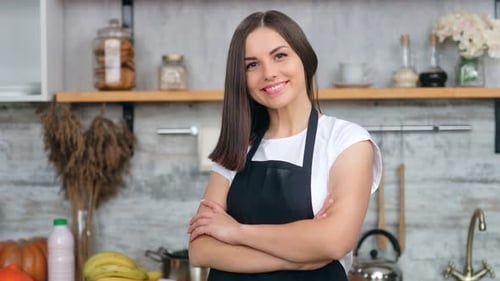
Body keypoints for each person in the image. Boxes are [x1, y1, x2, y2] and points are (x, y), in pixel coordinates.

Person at [188, 10, 382, 281]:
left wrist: (236, 232)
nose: (269, 73)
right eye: (251, 65)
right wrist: (302, 259)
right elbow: (201, 249)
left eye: (280, 55)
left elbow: (334, 241)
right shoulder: (238, 145)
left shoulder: (347, 141)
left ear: (304, 58)